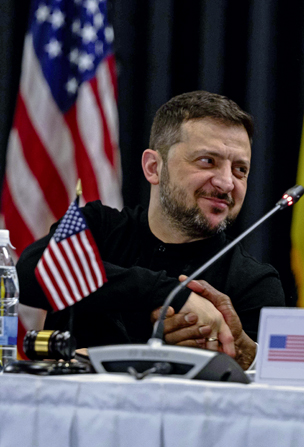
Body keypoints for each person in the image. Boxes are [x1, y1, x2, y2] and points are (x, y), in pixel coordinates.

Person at [17, 91, 285, 369]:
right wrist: (173, 294)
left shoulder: (254, 282)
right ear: (153, 167)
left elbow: (266, 387)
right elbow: (30, 273)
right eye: (208, 161)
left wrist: (241, 351)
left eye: (240, 169)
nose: (227, 183)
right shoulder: (98, 227)